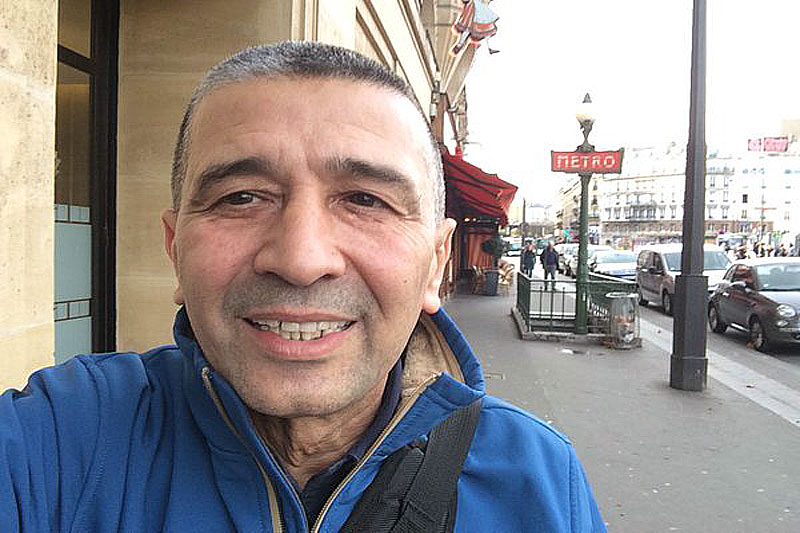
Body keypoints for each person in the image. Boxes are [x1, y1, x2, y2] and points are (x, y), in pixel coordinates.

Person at [0, 42, 605, 532]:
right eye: (241, 198)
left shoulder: (540, 482)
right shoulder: (54, 444)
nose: (301, 258)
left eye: (365, 200)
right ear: (175, 249)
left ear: (436, 262)